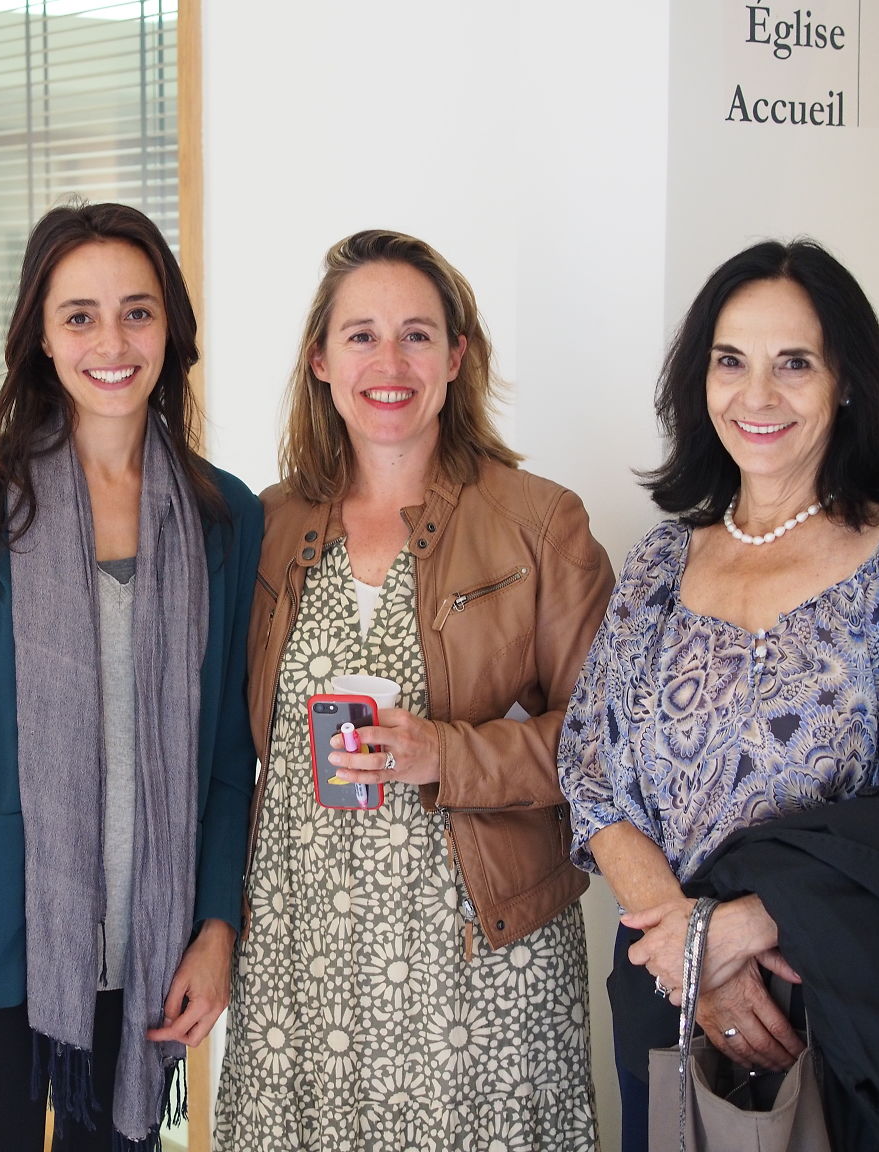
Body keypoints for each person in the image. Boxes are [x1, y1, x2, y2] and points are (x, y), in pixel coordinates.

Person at [557, 238, 879, 1151]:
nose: (757, 395)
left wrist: (740, 930)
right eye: (730, 361)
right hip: (670, 1007)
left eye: (794, 363)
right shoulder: (660, 565)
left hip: (849, 1021)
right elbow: (594, 778)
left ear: (847, 382)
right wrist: (691, 959)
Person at [0, 201, 261, 1151]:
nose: (111, 343)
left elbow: (227, 756)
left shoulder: (225, 516)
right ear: (42, 336)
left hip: (148, 938)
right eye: (79, 316)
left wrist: (217, 926)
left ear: (170, 327)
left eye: (137, 312)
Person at [215, 230, 611, 1150]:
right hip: (303, 952)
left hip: (477, 957)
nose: (389, 364)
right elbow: (222, 744)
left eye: (417, 336)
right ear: (320, 360)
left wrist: (446, 753)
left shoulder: (539, 523)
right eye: (361, 335)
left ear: (457, 356)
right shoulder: (265, 526)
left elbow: (608, 745)